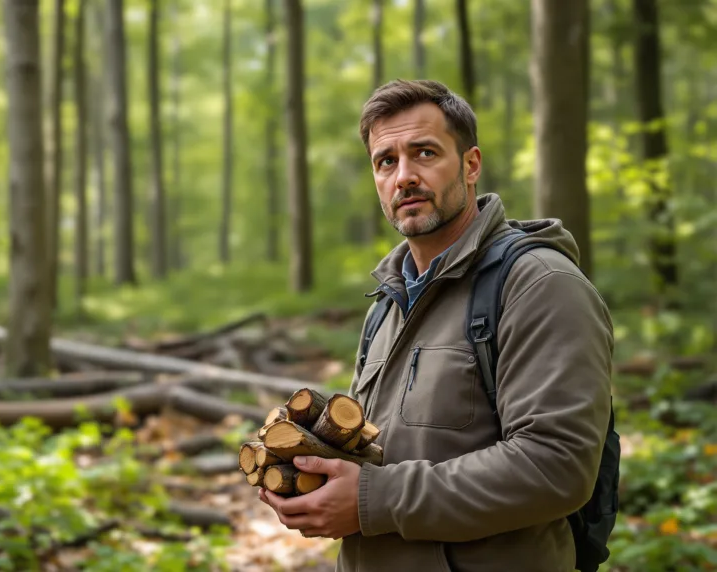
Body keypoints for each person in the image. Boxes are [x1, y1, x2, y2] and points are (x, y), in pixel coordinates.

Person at [257, 79, 614, 571]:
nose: (404, 176)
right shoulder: (388, 301)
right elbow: (384, 455)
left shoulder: (539, 285)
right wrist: (309, 473)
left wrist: (371, 498)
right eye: (386, 161)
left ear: (471, 165)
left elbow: (556, 466)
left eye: (424, 153)